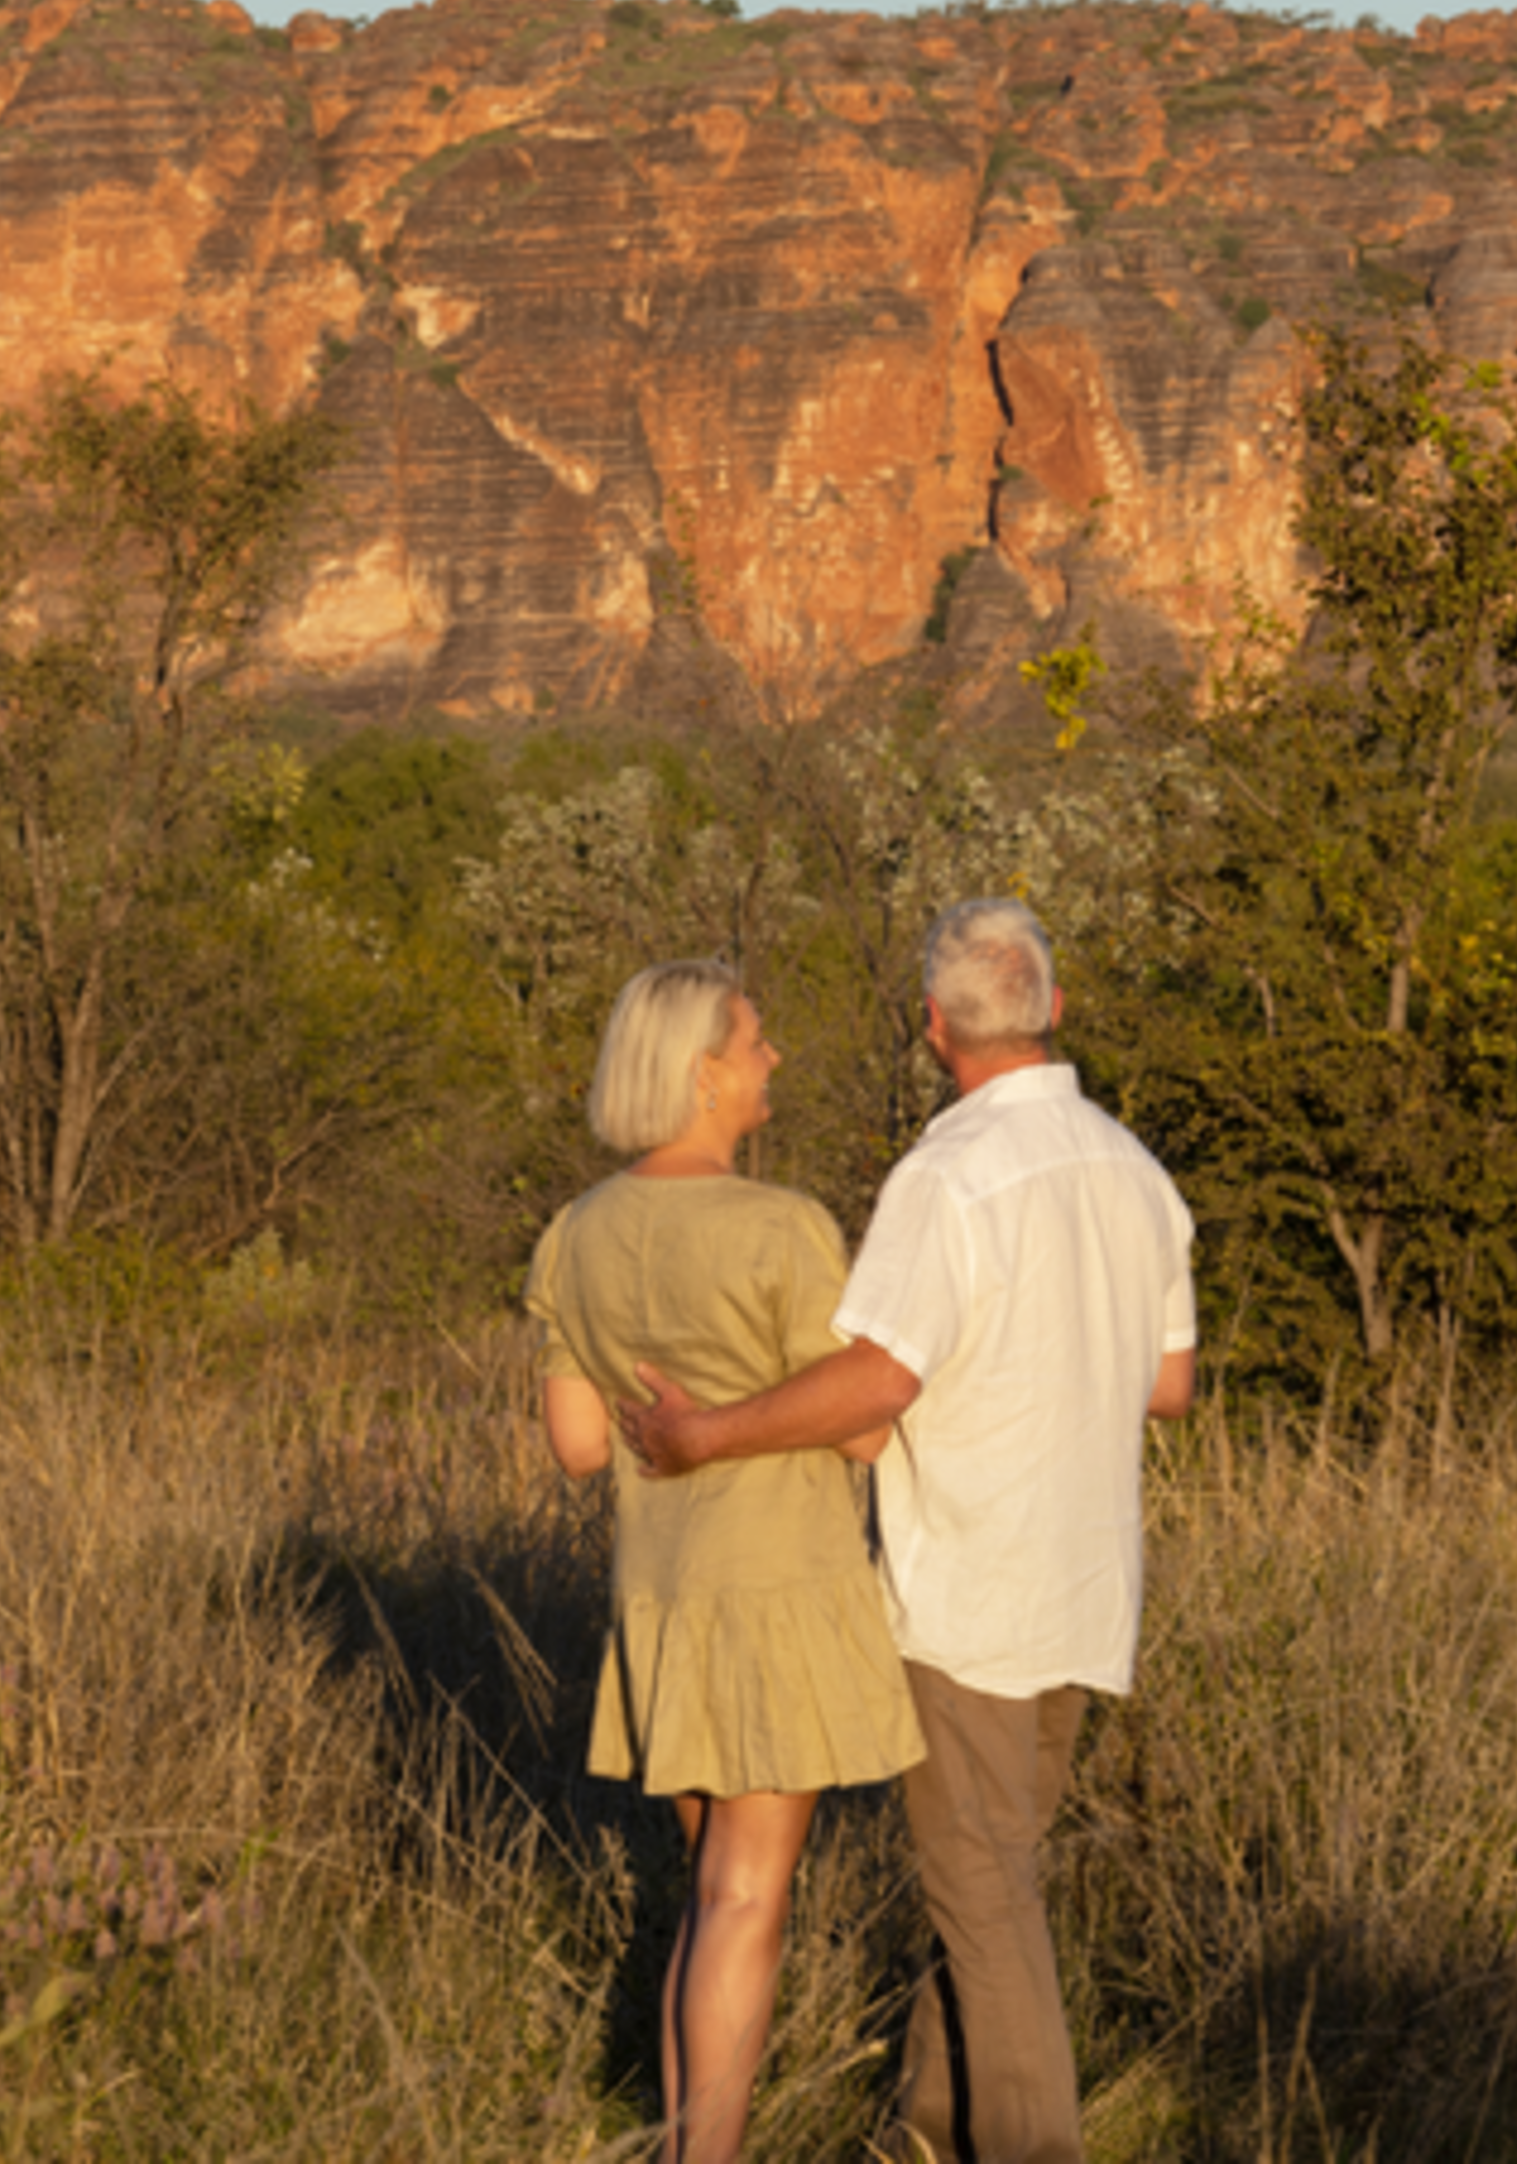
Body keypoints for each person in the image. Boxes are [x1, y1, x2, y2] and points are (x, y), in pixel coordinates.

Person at [625, 898, 1197, 2164]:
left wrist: (711, 1433)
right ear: (1051, 1009)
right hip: (1088, 1588)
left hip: (970, 1589)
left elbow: (879, 1382)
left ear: (936, 1028)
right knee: (985, 1885)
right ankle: (929, 2130)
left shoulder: (946, 1176)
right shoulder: (1138, 1175)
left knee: (988, 1907)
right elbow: (1169, 1385)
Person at [525, 958, 923, 2164]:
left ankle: (689, 2142)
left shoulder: (574, 1232)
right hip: (775, 1593)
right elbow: (862, 1428)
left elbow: (580, 1447)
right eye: (756, 1040)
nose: (773, 1059)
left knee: (712, 1899)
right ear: (703, 1074)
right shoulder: (783, 1226)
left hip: (659, 1595)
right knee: (749, 1899)